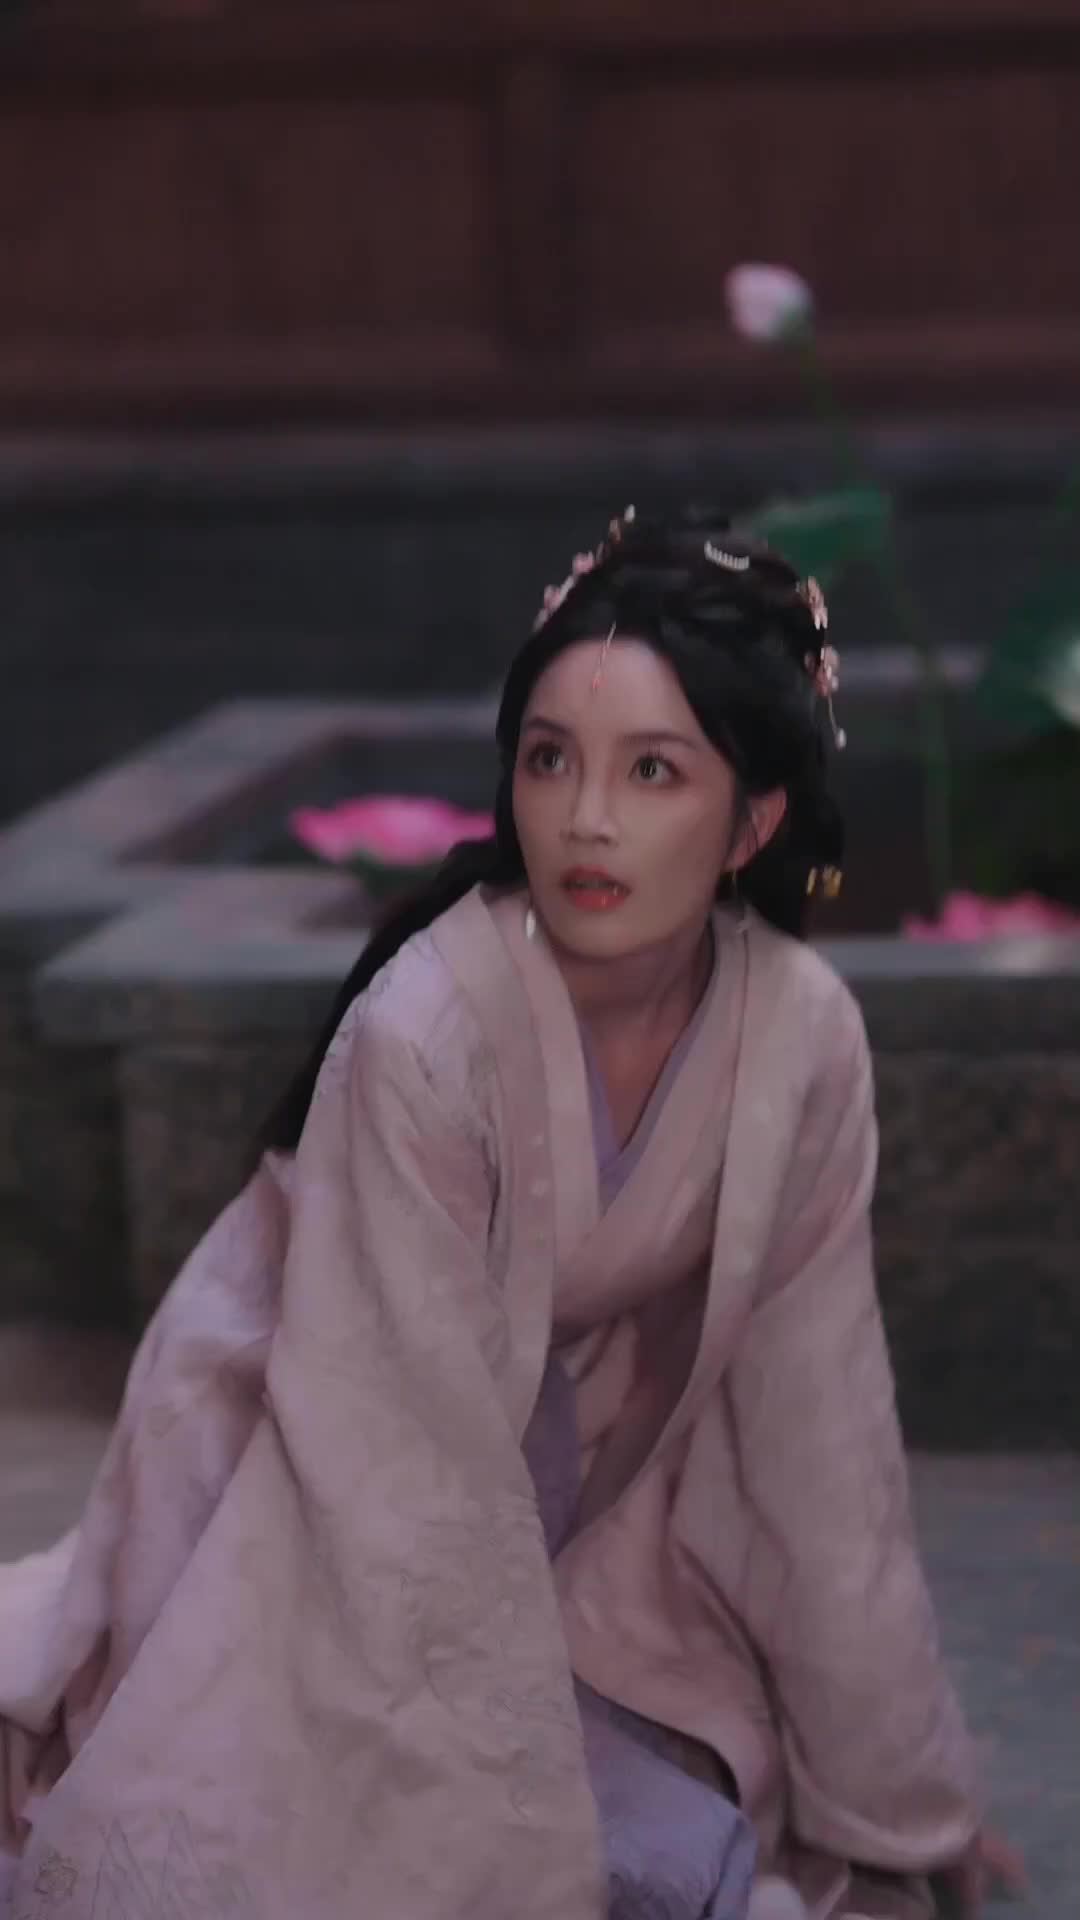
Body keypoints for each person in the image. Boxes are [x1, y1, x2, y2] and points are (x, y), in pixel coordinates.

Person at [0, 509, 1024, 1920]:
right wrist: (515, 1865)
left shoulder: (802, 1036)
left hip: (561, 1482)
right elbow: (398, 1485)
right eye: (551, 759)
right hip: (301, 1449)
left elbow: (823, 1437)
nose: (587, 818)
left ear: (755, 821)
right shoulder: (424, 1032)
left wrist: (902, 1806)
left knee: (707, 1838)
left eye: (652, 770)